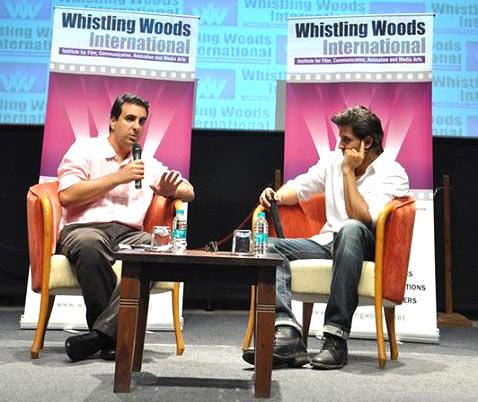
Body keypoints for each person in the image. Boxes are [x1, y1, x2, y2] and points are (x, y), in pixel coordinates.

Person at [242, 105, 409, 370]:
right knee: (268, 247)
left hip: (367, 246)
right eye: (339, 139)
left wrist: (347, 173)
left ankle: (335, 339)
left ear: (367, 143)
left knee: (351, 229)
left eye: (346, 140)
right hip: (328, 242)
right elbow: (301, 187)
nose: (340, 146)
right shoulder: (333, 161)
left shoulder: (392, 172)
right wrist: (275, 195)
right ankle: (287, 334)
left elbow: (363, 218)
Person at [57, 92, 195, 361]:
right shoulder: (85, 149)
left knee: (163, 251)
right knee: (90, 244)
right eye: (130, 119)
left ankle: (100, 337)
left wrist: (171, 189)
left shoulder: (144, 162)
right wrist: (118, 177)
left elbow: (189, 191)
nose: (137, 127)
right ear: (112, 121)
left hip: (129, 235)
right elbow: (67, 195)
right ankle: (111, 335)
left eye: (142, 121)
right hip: (85, 229)